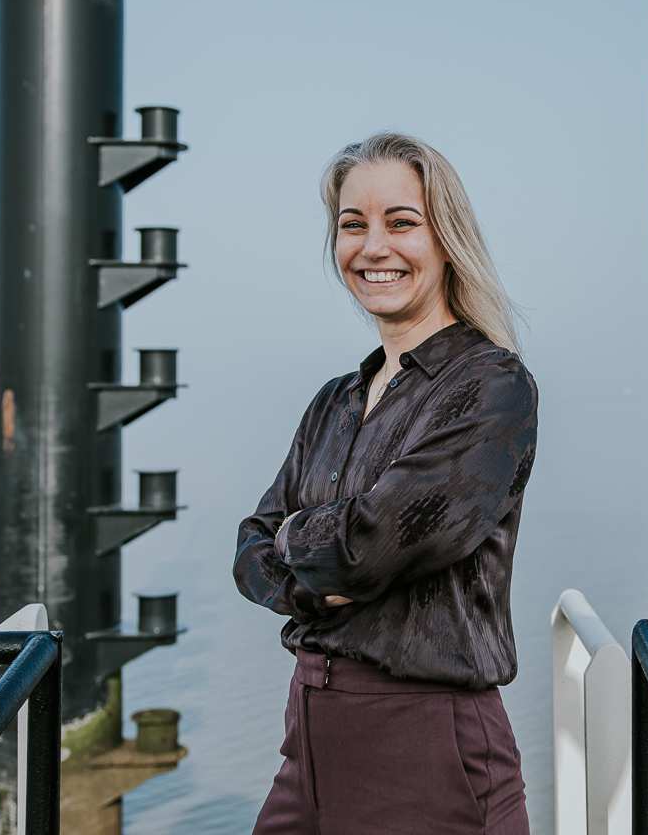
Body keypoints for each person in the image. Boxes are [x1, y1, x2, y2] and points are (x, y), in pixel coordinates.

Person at [233, 132, 538, 835]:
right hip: (308, 734)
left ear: (447, 239)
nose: (373, 248)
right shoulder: (335, 399)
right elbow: (250, 547)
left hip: (424, 744)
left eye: (401, 222)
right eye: (353, 225)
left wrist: (298, 538)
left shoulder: (491, 385)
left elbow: (367, 547)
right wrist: (315, 578)